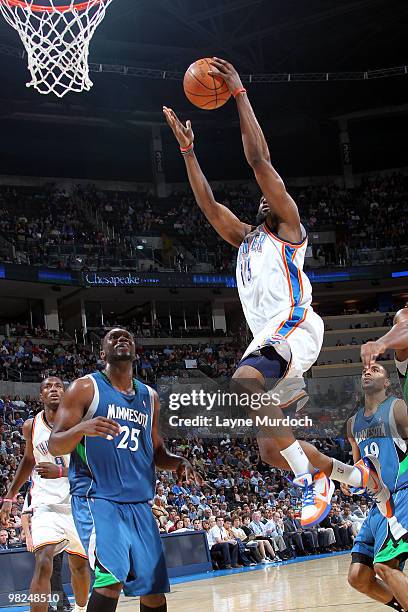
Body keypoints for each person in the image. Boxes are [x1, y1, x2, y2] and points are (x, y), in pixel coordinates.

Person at [163, 58, 387, 527]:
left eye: (272, 192)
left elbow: (258, 160)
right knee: (269, 448)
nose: (266, 195)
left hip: (295, 323)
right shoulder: (245, 238)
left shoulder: (288, 227)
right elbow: (206, 204)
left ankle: (310, 479)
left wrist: (240, 93)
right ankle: (354, 477)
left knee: (245, 381)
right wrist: (188, 152)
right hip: (272, 335)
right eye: (261, 196)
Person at [48, 328, 202, 612]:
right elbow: (55, 444)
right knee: (111, 579)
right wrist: (83, 428)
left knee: (153, 591)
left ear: (136, 351)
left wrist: (179, 461)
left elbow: (156, 451)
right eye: (113, 337)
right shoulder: (85, 387)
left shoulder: (150, 397)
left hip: (139, 504)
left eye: (127, 337)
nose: (121, 339)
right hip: (98, 498)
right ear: (102, 353)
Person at [0, 377, 89, 612]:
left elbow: (97, 469)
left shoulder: (81, 424)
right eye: (47, 387)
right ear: (40, 396)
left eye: (58, 386)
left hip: (77, 502)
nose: (53, 390)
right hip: (45, 504)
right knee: (42, 561)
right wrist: (10, 496)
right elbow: (29, 459)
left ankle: (81, 608)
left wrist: (60, 471)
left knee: (79, 567)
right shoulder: (32, 425)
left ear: (66, 393)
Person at [346, 361, 408, 612]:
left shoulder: (397, 408)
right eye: (365, 370)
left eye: (376, 370)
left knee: (385, 566)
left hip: (401, 495)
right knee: (358, 576)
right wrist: (347, 482)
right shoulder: (352, 424)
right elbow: (358, 465)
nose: (367, 371)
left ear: (387, 382)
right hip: (376, 504)